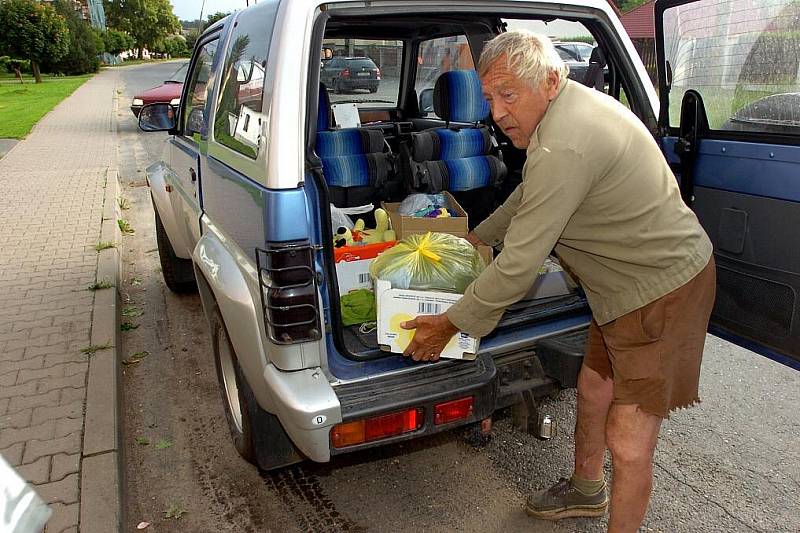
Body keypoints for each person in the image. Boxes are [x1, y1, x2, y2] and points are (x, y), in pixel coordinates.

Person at [400, 30, 716, 532]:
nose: (498, 113)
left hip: (661, 289)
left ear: (549, 81)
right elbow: (529, 196)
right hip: (617, 290)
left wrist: (450, 324)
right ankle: (587, 491)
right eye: (489, 97)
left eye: (509, 95)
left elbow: (520, 266)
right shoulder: (562, 113)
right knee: (594, 385)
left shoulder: (565, 144)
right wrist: (478, 240)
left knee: (630, 440)